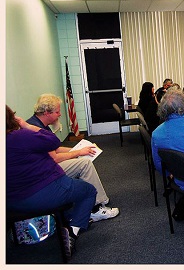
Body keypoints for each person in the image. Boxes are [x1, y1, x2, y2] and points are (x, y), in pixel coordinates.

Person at [6, 105, 97, 257]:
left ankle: (67, 219)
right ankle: (72, 232)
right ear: (11, 119)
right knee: (88, 191)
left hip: (11, 202)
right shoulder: (20, 136)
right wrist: (27, 126)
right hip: (44, 192)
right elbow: (53, 141)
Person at [26, 94, 119, 222]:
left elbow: (56, 148)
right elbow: (55, 158)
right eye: (57, 112)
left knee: (80, 159)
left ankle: (97, 200)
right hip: (42, 173)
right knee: (84, 164)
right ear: (47, 112)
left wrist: (79, 150)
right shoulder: (36, 129)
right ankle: (96, 207)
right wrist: (78, 152)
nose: (59, 115)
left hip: (43, 166)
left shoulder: (37, 123)